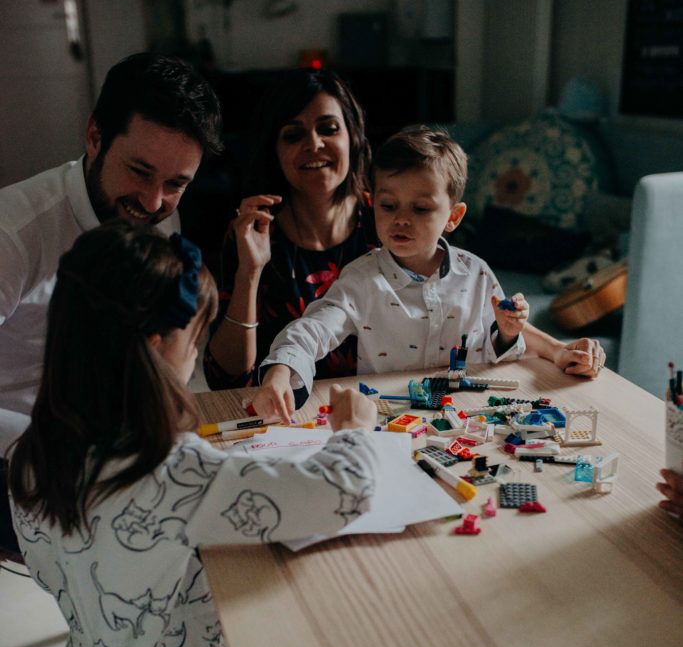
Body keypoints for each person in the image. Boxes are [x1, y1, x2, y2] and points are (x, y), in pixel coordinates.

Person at [8, 220, 378, 647]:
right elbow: (347, 491)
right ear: (157, 344)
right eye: (194, 338)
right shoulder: (172, 474)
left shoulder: (35, 454)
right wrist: (355, 428)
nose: (195, 353)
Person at [0, 51, 223, 556]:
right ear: (94, 136)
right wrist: (62, 448)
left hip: (119, 441)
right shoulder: (12, 234)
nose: (152, 203)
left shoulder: (160, 215)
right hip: (20, 459)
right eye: (140, 173)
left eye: (176, 184)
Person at [252, 126, 605, 422]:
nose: (401, 219)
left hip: (468, 416)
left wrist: (521, 338)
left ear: (453, 217)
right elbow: (315, 327)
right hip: (389, 416)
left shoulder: (476, 273)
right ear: (373, 204)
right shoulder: (361, 279)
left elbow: (502, 334)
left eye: (420, 208)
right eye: (389, 206)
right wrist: (282, 369)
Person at [204, 67, 378, 390]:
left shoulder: (385, 219)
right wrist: (250, 272)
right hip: (287, 420)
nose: (314, 144)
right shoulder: (253, 229)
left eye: (328, 128)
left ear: (353, 137)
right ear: (275, 150)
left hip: (381, 409)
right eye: (293, 135)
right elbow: (225, 379)